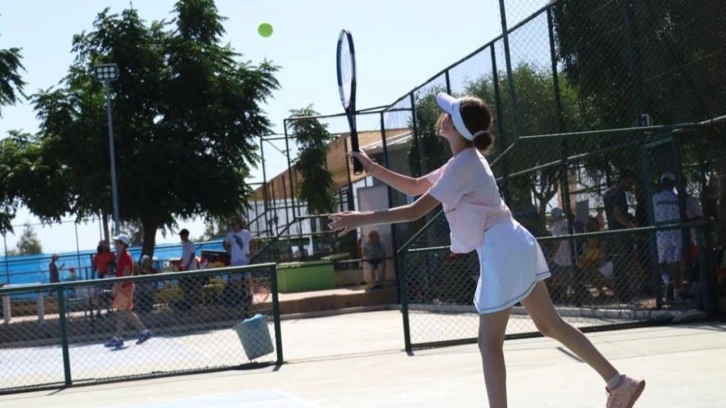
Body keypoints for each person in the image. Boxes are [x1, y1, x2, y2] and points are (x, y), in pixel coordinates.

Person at [328, 93, 645, 407]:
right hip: (514, 243)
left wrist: (361, 218)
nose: (443, 116)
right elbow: (414, 186)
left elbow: (414, 211)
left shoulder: (464, 166)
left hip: (502, 249)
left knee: (489, 344)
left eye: (449, 114)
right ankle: (620, 383)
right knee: (550, 325)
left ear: (454, 127)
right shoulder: (462, 163)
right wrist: (371, 168)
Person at [104, 233, 152, 348]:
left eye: (117, 242)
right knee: (121, 312)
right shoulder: (122, 256)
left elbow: (125, 272)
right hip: (124, 286)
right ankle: (119, 337)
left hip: (125, 287)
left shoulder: (125, 256)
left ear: (122, 244)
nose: (115, 244)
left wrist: (118, 286)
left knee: (124, 311)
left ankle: (142, 331)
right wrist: (117, 285)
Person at [603, 168, 637, 303]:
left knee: (618, 266)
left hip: (613, 233)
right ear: (624, 179)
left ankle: (622, 295)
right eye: (630, 182)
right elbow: (617, 214)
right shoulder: (619, 194)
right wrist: (630, 226)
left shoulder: (608, 193)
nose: (631, 186)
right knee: (624, 264)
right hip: (621, 234)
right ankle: (625, 297)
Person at [652, 172, 682, 301]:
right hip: (676, 232)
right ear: (673, 184)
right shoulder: (677, 198)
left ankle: (666, 280)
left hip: (661, 233)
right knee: (676, 262)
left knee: (661, 262)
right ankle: (676, 292)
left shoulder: (656, 198)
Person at [223, 217, 255, 306]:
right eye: (232, 225)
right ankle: (239, 296)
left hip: (245, 259)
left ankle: (250, 295)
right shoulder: (230, 235)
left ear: (239, 224)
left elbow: (254, 242)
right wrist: (228, 251)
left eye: (235, 224)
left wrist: (251, 253)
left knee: (248, 277)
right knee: (236, 280)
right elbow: (224, 243)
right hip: (235, 260)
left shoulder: (246, 233)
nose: (233, 226)